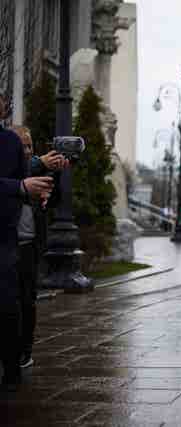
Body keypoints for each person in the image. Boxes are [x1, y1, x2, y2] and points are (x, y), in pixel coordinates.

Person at [0, 93, 53, 391]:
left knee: (11, 305)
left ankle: (13, 368)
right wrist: (21, 186)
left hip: (7, 235)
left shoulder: (9, 142)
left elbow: (23, 182)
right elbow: (20, 183)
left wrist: (37, 193)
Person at [11, 126, 67, 369]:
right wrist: (39, 162)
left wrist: (58, 173)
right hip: (9, 244)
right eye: (21, 146)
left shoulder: (37, 169)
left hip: (29, 246)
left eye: (29, 146)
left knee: (27, 301)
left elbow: (54, 199)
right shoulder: (14, 171)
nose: (25, 150)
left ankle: (25, 351)